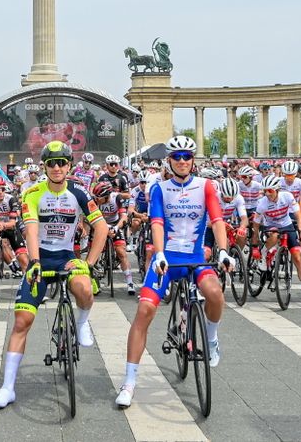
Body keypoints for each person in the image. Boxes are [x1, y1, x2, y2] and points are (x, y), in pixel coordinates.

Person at [114, 136, 233, 409]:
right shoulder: (159, 188)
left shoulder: (206, 186)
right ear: (169, 160)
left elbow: (216, 220)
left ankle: (211, 339)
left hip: (193, 257)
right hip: (166, 258)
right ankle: (129, 382)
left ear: (193, 160)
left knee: (215, 294)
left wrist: (223, 250)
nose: (182, 161)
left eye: (186, 157)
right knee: (144, 311)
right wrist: (158, 254)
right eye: (176, 157)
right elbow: (156, 222)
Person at [0, 141, 107, 409]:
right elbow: (30, 229)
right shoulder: (32, 193)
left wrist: (89, 263)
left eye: (61, 162)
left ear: (69, 166)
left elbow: (101, 228)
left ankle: (81, 322)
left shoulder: (79, 192)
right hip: (39, 256)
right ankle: (7, 388)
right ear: (44, 166)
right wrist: (34, 262)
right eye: (51, 163)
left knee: (85, 289)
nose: (56, 167)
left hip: (66, 257)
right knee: (22, 321)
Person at [253, 174, 301, 308]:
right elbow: (256, 224)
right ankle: (265, 254)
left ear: (277, 189)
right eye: (265, 191)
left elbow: (298, 216)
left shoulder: (287, 196)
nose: (267, 194)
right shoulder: (262, 203)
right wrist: (255, 243)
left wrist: (300, 232)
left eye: (270, 190)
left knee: (298, 258)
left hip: (287, 224)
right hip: (270, 225)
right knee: (275, 235)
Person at [91, 179, 136, 294]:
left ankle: (130, 282)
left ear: (107, 196)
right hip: (100, 224)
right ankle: (94, 279)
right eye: (95, 197)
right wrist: (104, 228)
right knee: (94, 250)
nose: (97, 200)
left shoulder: (117, 198)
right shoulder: (94, 201)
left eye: (99, 198)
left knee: (121, 252)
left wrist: (116, 228)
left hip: (115, 224)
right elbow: (90, 218)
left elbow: (124, 217)